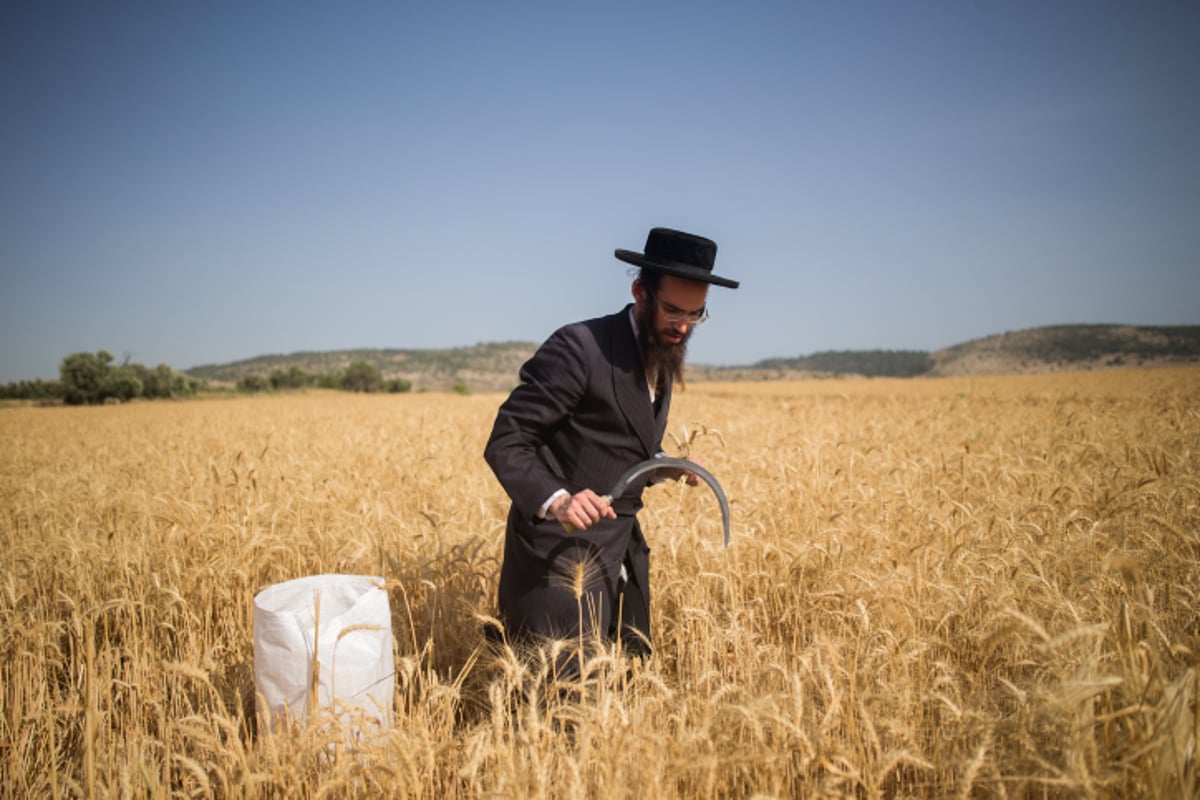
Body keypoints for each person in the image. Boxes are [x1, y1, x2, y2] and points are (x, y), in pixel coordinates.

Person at [483, 227, 739, 667]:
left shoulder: (661, 350)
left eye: (695, 315)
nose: (682, 326)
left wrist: (666, 467)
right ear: (640, 290)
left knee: (624, 683)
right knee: (558, 698)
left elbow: (621, 445)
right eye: (673, 310)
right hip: (560, 558)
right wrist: (559, 500)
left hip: (623, 554)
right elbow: (508, 439)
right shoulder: (580, 348)